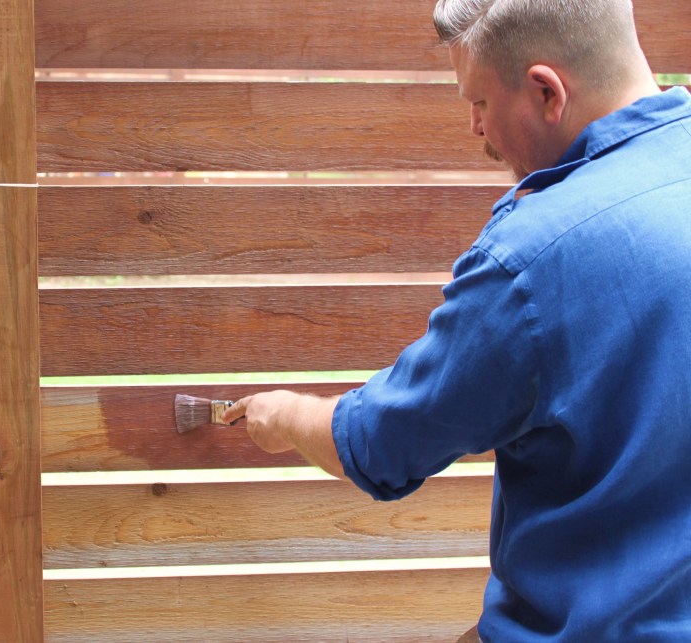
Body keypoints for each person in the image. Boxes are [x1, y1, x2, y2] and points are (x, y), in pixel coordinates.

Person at [223, 1, 691, 640]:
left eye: (479, 102)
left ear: (546, 92)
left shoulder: (530, 262)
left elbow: (382, 442)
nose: (474, 127)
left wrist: (281, 415)